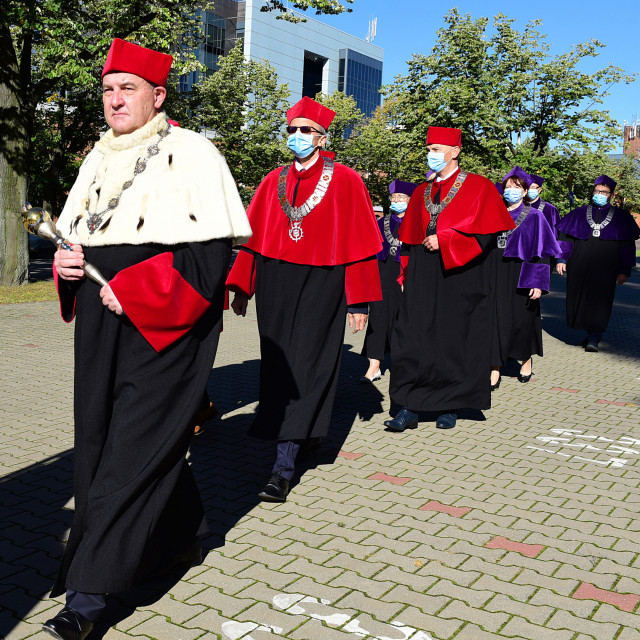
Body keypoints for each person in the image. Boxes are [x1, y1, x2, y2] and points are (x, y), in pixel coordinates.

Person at [43, 38, 251, 640]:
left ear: (158, 96)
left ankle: (88, 595)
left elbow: (210, 260)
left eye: (127, 88)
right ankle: (183, 528)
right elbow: (77, 237)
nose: (114, 100)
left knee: (129, 451)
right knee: (106, 435)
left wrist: (140, 291)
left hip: (166, 323)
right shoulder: (95, 157)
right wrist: (68, 268)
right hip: (102, 318)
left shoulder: (194, 153)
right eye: (107, 90)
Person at [226, 96, 382, 502]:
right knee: (279, 365)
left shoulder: (347, 180)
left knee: (308, 364)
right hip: (276, 282)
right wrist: (242, 286)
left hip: (323, 281)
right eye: (292, 130)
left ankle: (283, 467)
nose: (297, 137)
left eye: (306, 130)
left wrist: (360, 300)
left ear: (323, 136)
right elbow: (253, 241)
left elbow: (362, 243)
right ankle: (302, 432)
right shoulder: (272, 179)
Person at [384, 126, 515, 432]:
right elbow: (409, 240)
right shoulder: (420, 191)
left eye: (436, 149)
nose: (430, 155)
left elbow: (486, 232)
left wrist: (447, 240)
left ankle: (449, 405)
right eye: (428, 149)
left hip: (461, 276)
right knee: (412, 337)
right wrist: (404, 273)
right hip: (422, 276)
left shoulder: (480, 187)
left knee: (454, 339)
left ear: (455, 152)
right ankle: (409, 405)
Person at [490, 166, 562, 390]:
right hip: (496, 273)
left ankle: (525, 359)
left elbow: (542, 253)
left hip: (523, 275)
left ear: (524, 192)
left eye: (516, 187)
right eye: (508, 187)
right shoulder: (493, 213)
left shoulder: (535, 216)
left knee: (523, 320)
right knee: (495, 320)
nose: (511, 191)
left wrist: (538, 283)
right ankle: (495, 368)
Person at [556, 175, 639, 352]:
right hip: (579, 264)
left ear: (610, 194)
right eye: (597, 191)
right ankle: (587, 331)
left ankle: (595, 336)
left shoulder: (621, 217)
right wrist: (562, 259)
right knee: (579, 298)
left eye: (604, 192)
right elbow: (566, 238)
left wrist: (625, 269)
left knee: (600, 301)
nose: (599, 194)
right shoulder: (578, 213)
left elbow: (627, 245)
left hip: (606, 268)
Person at [360, 179, 417, 383]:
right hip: (383, 274)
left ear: (410, 200)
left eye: (401, 198)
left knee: (403, 320)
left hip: (408, 275)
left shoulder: (417, 222)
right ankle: (374, 366)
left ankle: (401, 364)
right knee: (378, 317)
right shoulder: (381, 222)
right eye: (393, 198)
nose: (396, 201)